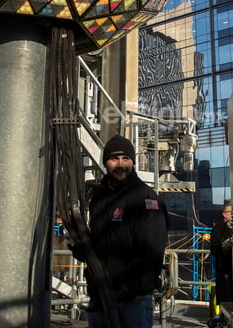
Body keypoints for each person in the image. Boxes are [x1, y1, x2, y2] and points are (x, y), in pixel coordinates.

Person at [76, 134, 168, 328]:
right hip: (100, 294)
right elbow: (104, 240)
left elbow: (152, 253)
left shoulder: (145, 199)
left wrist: (132, 289)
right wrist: (87, 251)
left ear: (132, 162)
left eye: (125, 159)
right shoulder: (99, 197)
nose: (120, 165)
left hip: (132, 301)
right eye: (113, 159)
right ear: (105, 163)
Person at [209, 202, 233, 309]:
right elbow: (214, 249)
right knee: (226, 298)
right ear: (224, 214)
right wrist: (224, 245)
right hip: (224, 268)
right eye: (230, 212)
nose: (232, 215)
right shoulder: (218, 229)